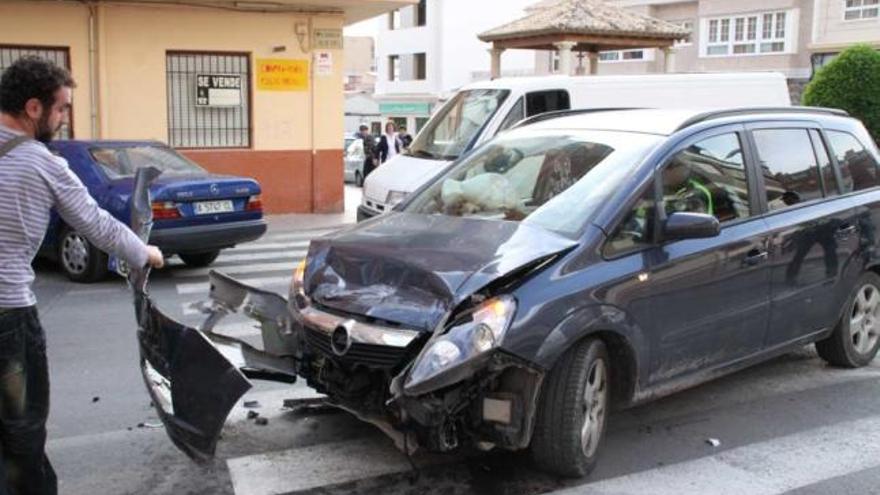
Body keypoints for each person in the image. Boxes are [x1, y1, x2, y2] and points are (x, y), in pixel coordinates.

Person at [0, 56, 164, 495]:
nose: (64, 117)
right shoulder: (41, 162)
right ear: (34, 108)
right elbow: (97, 224)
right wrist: (143, 252)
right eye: (61, 108)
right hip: (7, 317)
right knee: (21, 429)